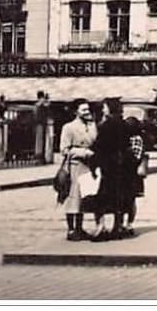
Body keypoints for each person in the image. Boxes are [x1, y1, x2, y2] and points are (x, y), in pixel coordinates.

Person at [85, 98, 137, 241]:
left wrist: (93, 164)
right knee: (119, 198)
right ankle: (117, 227)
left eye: (105, 107)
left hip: (109, 166)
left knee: (101, 198)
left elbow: (100, 147)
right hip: (123, 166)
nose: (103, 109)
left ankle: (100, 227)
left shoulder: (106, 126)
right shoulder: (125, 125)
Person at [57, 101, 99, 241]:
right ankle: (71, 229)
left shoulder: (92, 126)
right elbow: (64, 149)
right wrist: (84, 152)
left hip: (88, 166)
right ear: (76, 111)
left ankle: (79, 228)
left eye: (88, 109)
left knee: (83, 198)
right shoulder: (68, 127)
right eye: (83, 109)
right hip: (74, 166)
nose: (87, 112)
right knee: (72, 198)